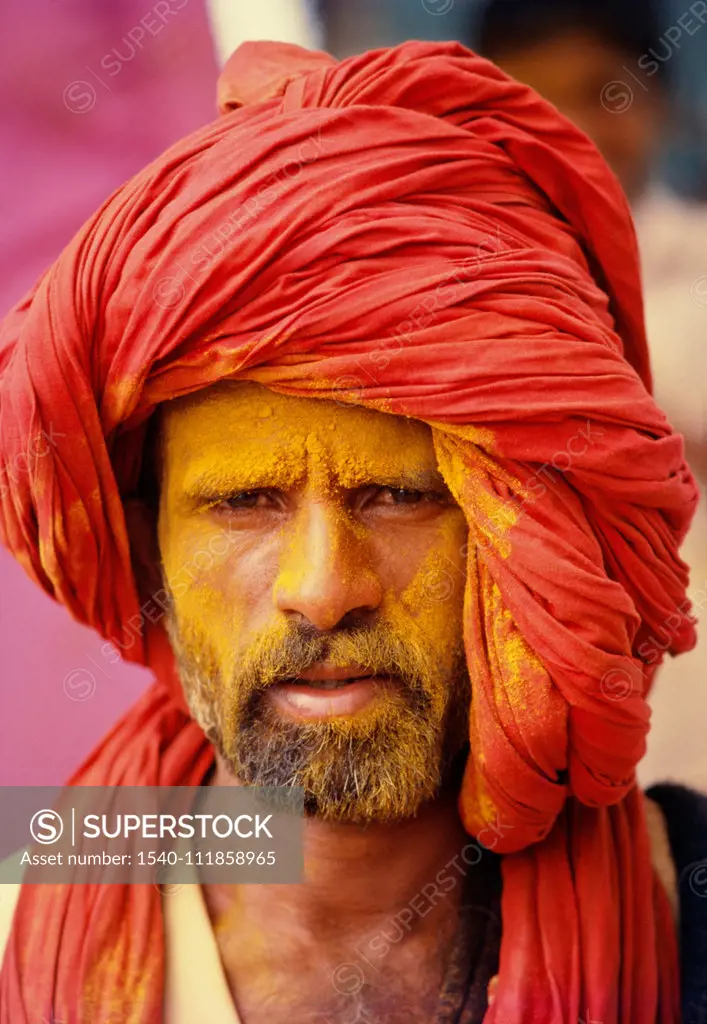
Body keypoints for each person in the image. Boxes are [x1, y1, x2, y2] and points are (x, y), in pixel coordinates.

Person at [0, 39, 705, 1023]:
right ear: (140, 536)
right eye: (243, 504)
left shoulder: (686, 920)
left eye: (396, 496)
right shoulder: (18, 921)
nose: (323, 587)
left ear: (525, 527)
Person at [476, 0, 707, 789]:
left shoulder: (697, 270)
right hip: (519, 752)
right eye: (533, 101)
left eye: (604, 91)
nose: (570, 126)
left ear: (660, 104)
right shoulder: (448, 282)